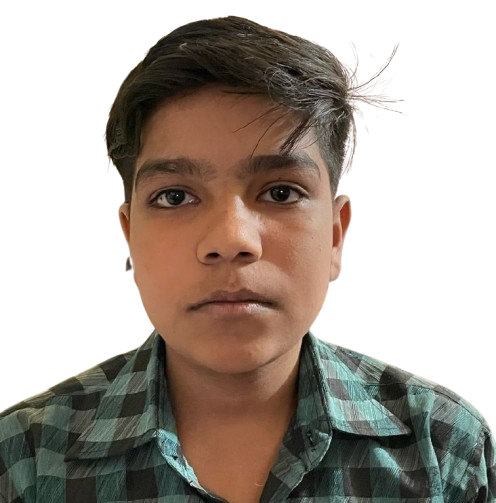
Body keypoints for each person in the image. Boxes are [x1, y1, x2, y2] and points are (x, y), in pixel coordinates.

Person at [1, 16, 494, 503]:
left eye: (280, 192)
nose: (231, 239)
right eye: (175, 196)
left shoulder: (443, 446)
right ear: (129, 238)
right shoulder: (27, 455)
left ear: (335, 235)